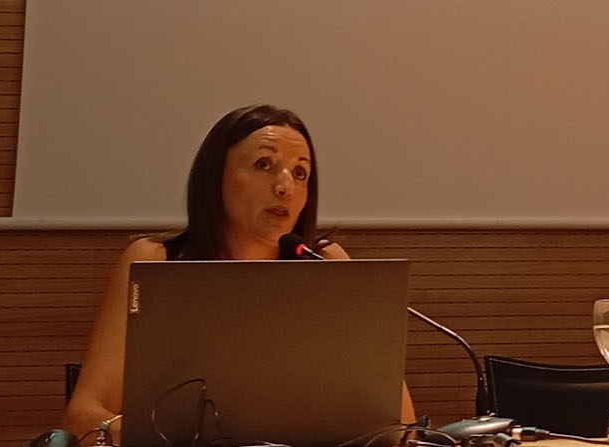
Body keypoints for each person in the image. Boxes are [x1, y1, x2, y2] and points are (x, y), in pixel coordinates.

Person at [62, 104, 416, 442]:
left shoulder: (327, 266)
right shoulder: (155, 262)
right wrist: (147, 436)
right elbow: (82, 418)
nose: (285, 187)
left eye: (300, 173)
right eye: (264, 164)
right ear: (215, 177)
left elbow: (399, 425)